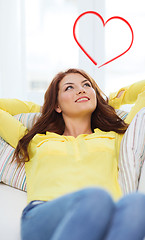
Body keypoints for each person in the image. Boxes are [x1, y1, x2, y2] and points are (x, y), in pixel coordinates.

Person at [0, 68, 145, 240]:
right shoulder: (35, 141)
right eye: (69, 88)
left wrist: (104, 101)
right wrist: (44, 108)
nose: (81, 89)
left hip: (105, 216)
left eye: (86, 85)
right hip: (45, 214)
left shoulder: (115, 137)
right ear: (57, 105)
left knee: (138, 204)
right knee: (95, 198)